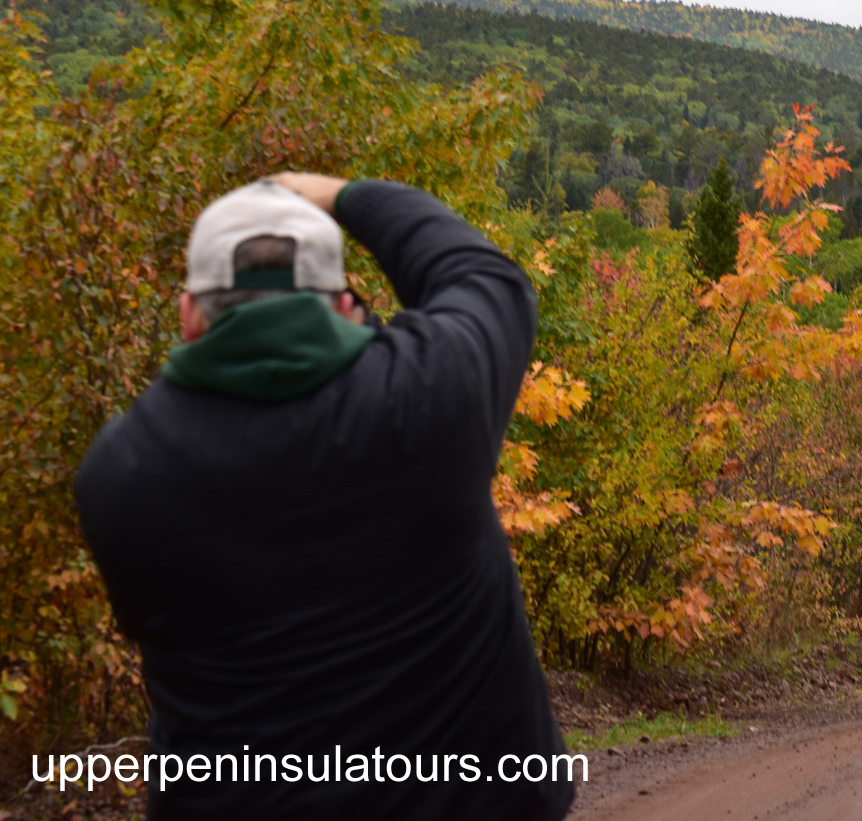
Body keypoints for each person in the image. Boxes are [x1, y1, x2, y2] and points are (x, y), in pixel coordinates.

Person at [75, 174, 574, 820]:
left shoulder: (119, 474)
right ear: (342, 306)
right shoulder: (430, 397)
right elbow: (480, 272)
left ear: (190, 316)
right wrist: (339, 194)